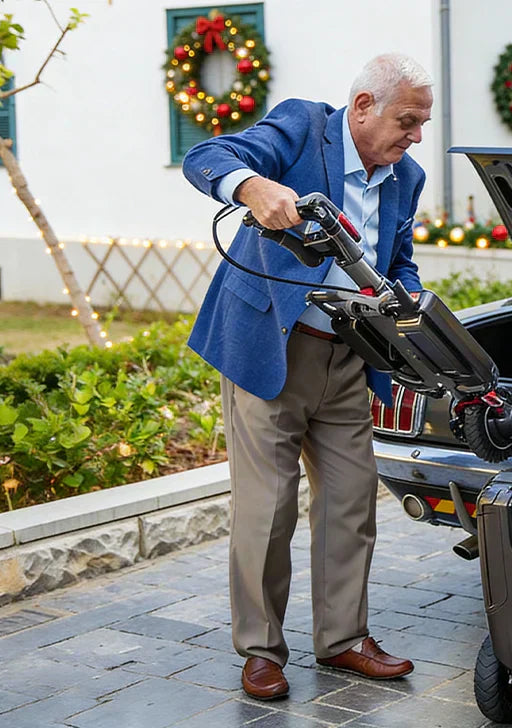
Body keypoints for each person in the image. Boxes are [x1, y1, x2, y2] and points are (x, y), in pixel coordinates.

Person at [182, 53, 433, 701]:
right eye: (407, 119)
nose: (415, 135)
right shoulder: (301, 127)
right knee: (268, 510)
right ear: (362, 108)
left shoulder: (407, 176)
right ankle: (261, 650)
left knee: (351, 501)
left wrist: (405, 300)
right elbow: (207, 155)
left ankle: (344, 640)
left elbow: (399, 259)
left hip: (348, 355)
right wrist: (248, 186)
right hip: (271, 344)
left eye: (422, 123)